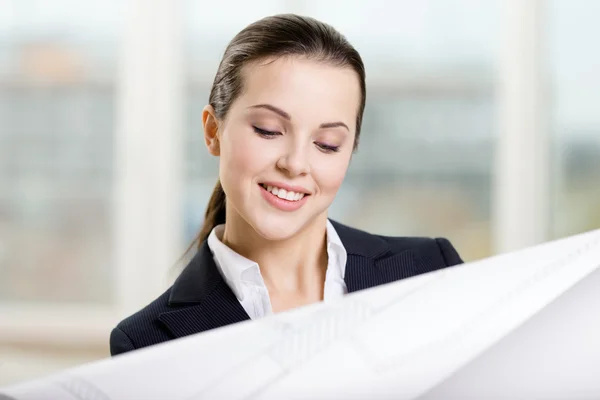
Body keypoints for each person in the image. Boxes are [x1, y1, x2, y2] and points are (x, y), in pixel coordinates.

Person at [110, 14, 463, 356]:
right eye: (267, 130)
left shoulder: (430, 271)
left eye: (327, 144)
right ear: (213, 130)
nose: (295, 164)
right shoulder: (146, 342)